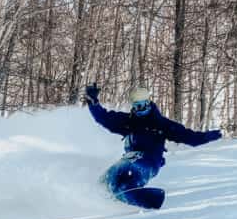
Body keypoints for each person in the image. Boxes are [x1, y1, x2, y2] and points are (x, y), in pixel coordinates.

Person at [84, 83, 222, 209]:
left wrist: (208, 136)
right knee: (113, 176)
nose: (140, 110)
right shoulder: (128, 121)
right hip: (129, 159)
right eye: (136, 106)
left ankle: (139, 195)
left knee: (130, 168)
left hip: (149, 161)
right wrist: (93, 102)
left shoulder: (161, 124)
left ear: (149, 103)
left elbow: (190, 137)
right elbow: (104, 118)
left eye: (143, 105)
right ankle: (112, 192)